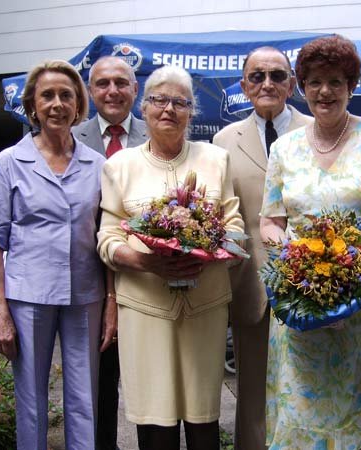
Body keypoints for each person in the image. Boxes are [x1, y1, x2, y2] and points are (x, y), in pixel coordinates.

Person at [259, 35, 361, 450]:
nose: (324, 91)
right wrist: (293, 258)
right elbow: (270, 222)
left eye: (335, 82)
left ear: (351, 86)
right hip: (303, 298)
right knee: (303, 413)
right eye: (314, 82)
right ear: (301, 86)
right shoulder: (284, 148)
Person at [97, 64, 244, 450]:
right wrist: (146, 261)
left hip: (205, 307)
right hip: (146, 308)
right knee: (155, 424)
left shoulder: (216, 160)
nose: (169, 109)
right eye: (159, 100)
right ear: (143, 108)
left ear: (192, 112)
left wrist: (211, 251)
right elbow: (107, 238)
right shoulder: (118, 166)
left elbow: (234, 224)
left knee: (203, 420)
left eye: (180, 102)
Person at [0, 60, 111, 450]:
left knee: (84, 397)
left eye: (66, 95)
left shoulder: (98, 165)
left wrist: (112, 302)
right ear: (32, 106)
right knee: (31, 400)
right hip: (28, 296)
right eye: (47, 95)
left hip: (85, 295)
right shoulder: (7, 163)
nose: (57, 104)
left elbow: (106, 235)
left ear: (78, 105)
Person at [212, 45, 312, 450]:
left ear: (292, 84)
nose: (267, 83)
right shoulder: (223, 140)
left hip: (313, 286)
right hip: (250, 286)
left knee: (309, 389)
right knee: (252, 392)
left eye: (277, 75)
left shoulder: (316, 130)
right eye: (257, 76)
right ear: (244, 85)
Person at [73, 55, 147, 450]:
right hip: (90, 283)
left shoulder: (158, 134)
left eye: (121, 83)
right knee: (98, 383)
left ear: (135, 89)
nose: (113, 91)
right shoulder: (70, 138)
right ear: (90, 91)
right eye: (103, 83)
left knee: (149, 382)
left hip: (146, 279)